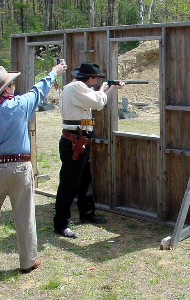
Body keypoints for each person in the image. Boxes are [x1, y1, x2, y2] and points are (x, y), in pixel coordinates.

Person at [0, 62, 66, 273]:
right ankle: (28, 261)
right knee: (24, 214)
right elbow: (39, 89)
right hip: (20, 168)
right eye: (11, 84)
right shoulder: (20, 104)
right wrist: (54, 72)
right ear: (8, 88)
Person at [54, 62, 124, 239]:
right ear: (90, 79)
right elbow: (98, 99)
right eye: (95, 79)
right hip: (74, 141)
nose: (96, 82)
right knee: (69, 183)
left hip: (80, 140)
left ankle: (87, 213)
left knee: (85, 179)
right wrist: (104, 88)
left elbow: (98, 103)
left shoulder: (78, 88)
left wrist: (111, 89)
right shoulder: (77, 87)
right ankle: (61, 223)